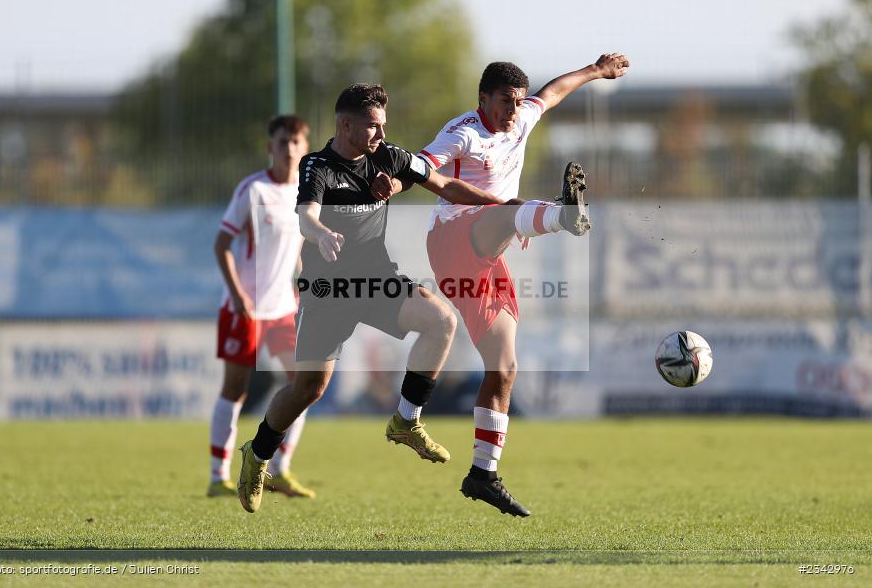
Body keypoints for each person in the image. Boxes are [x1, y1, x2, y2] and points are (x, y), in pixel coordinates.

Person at [236, 83, 514, 514]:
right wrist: (323, 232)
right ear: (345, 125)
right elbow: (306, 215)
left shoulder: (389, 157)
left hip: (377, 281)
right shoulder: (317, 166)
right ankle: (257, 453)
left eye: (383, 126)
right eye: (372, 126)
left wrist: (505, 206)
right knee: (309, 388)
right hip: (330, 293)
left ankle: (406, 418)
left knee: (441, 321)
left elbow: (445, 184)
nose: (381, 135)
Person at [412, 54, 630, 516]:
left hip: (487, 254)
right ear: (482, 99)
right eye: (504, 102)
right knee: (510, 210)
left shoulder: (521, 118)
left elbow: (552, 92)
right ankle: (560, 216)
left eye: (516, 101)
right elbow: (425, 166)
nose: (513, 110)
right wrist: (393, 178)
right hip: (452, 241)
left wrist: (595, 71)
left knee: (505, 366)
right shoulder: (464, 132)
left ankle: (483, 474)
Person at [207, 115, 315, 499]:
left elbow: (298, 252)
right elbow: (222, 244)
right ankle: (218, 475)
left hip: (283, 308)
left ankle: (280, 469)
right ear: (271, 146)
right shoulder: (252, 190)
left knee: (304, 386)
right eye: (283, 141)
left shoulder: (305, 192)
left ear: (305, 148)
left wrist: (304, 290)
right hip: (245, 310)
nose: (289, 148)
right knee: (235, 390)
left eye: (296, 142)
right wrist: (238, 296)